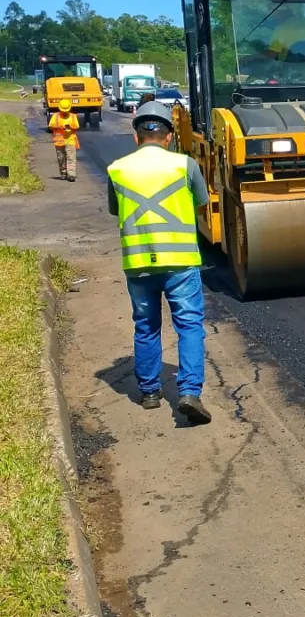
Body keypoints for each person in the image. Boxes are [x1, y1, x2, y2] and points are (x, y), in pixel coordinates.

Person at [106, 101, 213, 425]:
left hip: (138, 264)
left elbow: (115, 210)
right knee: (189, 325)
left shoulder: (117, 169)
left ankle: (150, 392)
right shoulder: (184, 165)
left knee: (147, 326)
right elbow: (202, 201)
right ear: (169, 136)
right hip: (180, 261)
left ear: (136, 135)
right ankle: (190, 392)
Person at [48, 99, 79, 182]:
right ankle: (63, 173)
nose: (65, 112)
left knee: (71, 157)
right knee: (61, 158)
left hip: (70, 139)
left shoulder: (73, 116)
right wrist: (60, 127)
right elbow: (51, 126)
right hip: (59, 141)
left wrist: (70, 127)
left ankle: (71, 175)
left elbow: (76, 127)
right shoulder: (55, 116)